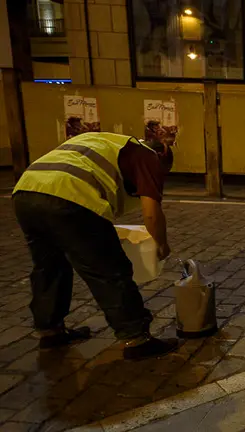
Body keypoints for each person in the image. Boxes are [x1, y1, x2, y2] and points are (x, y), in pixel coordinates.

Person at [12, 132, 179, 360]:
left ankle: (50, 331)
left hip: (26, 192)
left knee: (49, 266)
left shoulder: (106, 141)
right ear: (162, 155)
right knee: (109, 270)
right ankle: (136, 338)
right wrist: (161, 243)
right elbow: (151, 213)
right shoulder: (148, 157)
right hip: (71, 197)